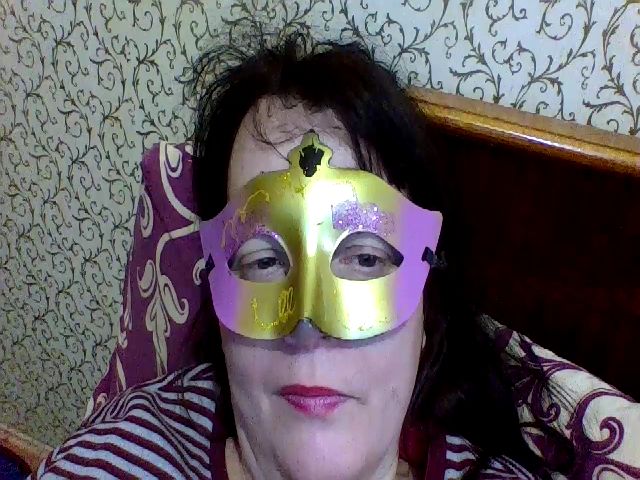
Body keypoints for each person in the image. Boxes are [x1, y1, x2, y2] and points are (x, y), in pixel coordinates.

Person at [30, 33, 640, 480]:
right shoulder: (112, 463)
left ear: (427, 310)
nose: (308, 323)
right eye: (262, 261)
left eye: (366, 258)